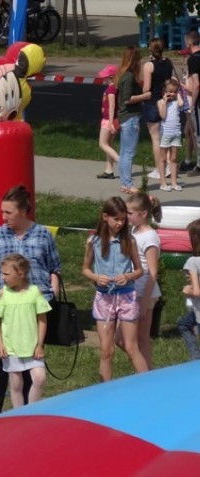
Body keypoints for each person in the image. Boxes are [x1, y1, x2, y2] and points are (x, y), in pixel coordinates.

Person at [0, 185, 61, 417]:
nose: (4, 217)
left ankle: (25, 412)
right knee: (2, 360)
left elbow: (55, 266)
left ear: (23, 211)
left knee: (31, 357)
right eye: (3, 212)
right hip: (7, 309)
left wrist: (53, 291)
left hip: (36, 305)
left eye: (8, 212)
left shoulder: (43, 234)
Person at [81, 197, 147, 382]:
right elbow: (85, 269)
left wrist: (127, 276)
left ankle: (149, 386)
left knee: (131, 346)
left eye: (123, 219)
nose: (119, 223)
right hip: (104, 298)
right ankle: (105, 391)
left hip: (126, 296)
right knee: (106, 350)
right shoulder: (93, 241)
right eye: (116, 219)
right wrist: (95, 277)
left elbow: (140, 270)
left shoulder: (129, 241)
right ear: (105, 217)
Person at [0, 254, 49, 408]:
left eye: (6, 274)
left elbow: (42, 319)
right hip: (11, 347)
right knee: (16, 384)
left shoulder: (35, 292)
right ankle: (19, 414)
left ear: (21, 274)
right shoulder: (2, 294)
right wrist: (0, 344)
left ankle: (32, 409)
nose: (3, 277)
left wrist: (39, 344)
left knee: (40, 378)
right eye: (2, 273)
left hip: (31, 347)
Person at [125, 193, 161, 370]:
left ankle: (147, 376)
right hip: (133, 290)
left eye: (130, 213)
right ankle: (145, 371)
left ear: (144, 213)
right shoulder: (133, 231)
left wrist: (145, 300)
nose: (127, 216)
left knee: (142, 338)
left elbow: (153, 271)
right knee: (124, 339)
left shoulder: (150, 237)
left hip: (145, 292)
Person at [142, 38, 175, 182]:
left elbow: (147, 87)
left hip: (153, 102)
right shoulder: (169, 62)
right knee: (165, 135)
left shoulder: (148, 66)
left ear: (151, 49)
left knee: (156, 138)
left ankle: (158, 168)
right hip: (166, 101)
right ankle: (168, 165)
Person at [116, 46, 146, 195]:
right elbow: (128, 99)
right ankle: (128, 183)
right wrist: (145, 96)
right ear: (135, 61)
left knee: (123, 153)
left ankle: (124, 183)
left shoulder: (124, 75)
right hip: (131, 117)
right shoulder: (129, 77)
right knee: (128, 153)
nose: (141, 63)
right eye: (139, 59)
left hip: (126, 117)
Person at [156, 78, 184, 191]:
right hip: (166, 133)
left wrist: (179, 93)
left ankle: (173, 182)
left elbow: (182, 103)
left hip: (176, 133)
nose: (172, 94)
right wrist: (165, 101)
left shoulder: (177, 101)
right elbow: (162, 116)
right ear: (165, 91)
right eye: (170, 91)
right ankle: (163, 183)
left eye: (174, 91)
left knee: (174, 158)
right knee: (163, 158)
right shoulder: (160, 102)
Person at [179, 219, 200, 359]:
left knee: (183, 325)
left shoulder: (193, 262)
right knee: (183, 323)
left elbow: (197, 292)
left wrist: (188, 290)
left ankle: (195, 359)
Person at [96, 64, 120, 179]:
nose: (103, 79)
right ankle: (109, 170)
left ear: (111, 77)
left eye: (105, 77)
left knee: (103, 144)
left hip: (108, 120)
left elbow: (112, 106)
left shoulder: (111, 89)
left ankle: (122, 163)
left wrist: (110, 122)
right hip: (114, 120)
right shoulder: (116, 88)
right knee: (109, 145)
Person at [183, 30, 200, 175]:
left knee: (198, 134)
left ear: (189, 43)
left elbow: (196, 84)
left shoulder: (193, 60)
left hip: (198, 101)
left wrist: (193, 104)